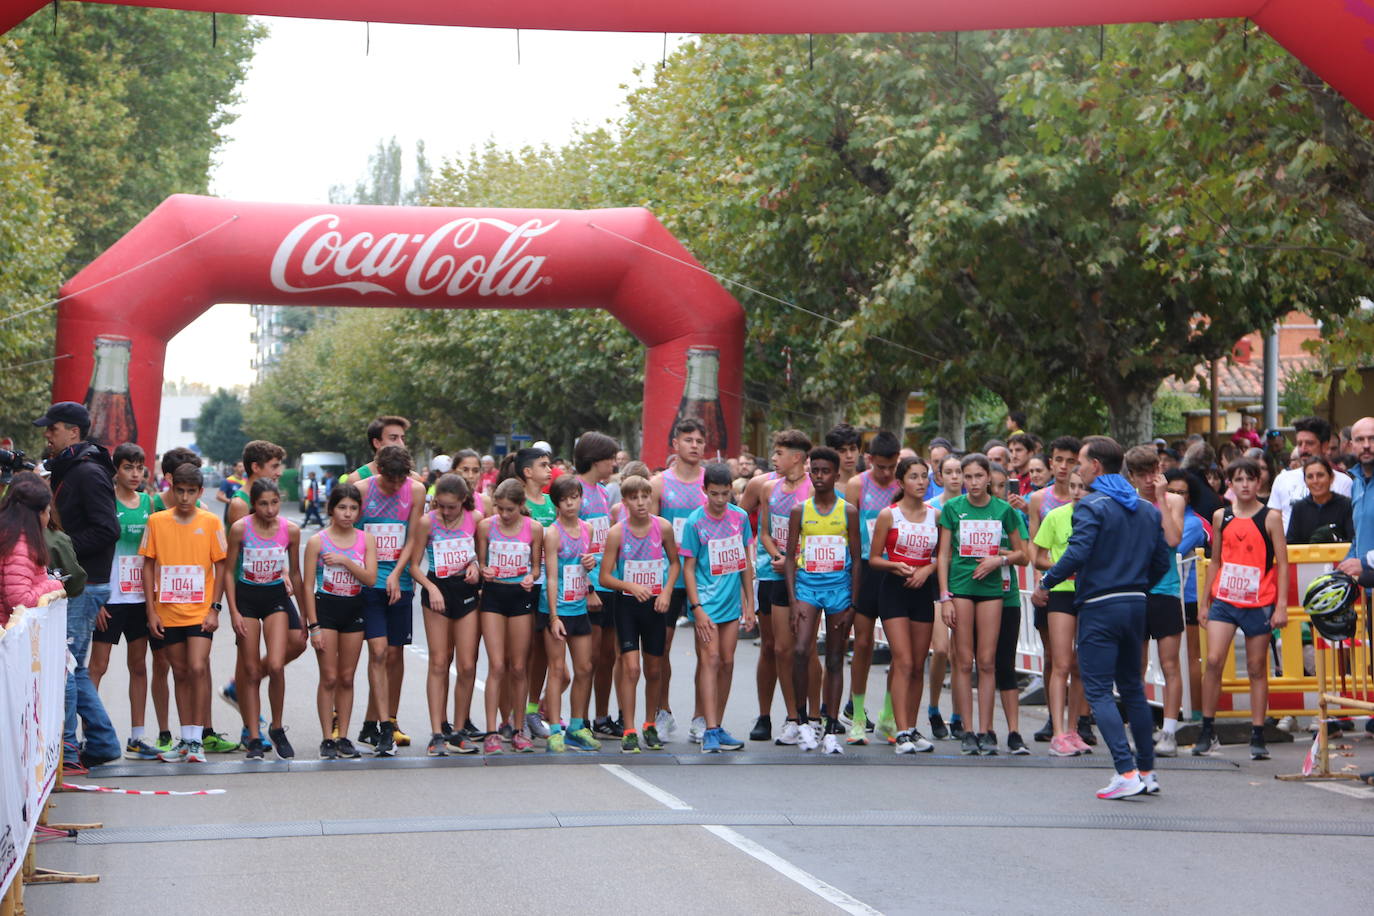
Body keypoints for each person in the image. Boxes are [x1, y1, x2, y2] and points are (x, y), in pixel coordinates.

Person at [1031, 436, 1172, 800]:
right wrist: (1138, 585)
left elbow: (1077, 552)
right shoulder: (1146, 509)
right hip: (1136, 603)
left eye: (1080, 461)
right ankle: (1146, 770)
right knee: (1132, 689)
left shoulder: (1092, 506)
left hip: (1100, 605)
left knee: (1097, 689)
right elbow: (1160, 561)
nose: (1076, 468)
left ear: (1095, 466)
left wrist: (1047, 580)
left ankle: (1125, 771)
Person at [34, 401, 121, 767]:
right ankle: (101, 742)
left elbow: (108, 529)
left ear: (73, 431)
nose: (46, 435)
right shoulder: (72, 468)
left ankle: (67, 750)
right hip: (80, 580)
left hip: (83, 582)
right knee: (74, 667)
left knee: (65, 666)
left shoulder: (87, 472)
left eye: (52, 429)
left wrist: (61, 549)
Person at [1196, 457, 1289, 761]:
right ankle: (1207, 729)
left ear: (1259, 482)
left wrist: (1281, 606)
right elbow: (1216, 561)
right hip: (1224, 598)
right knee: (1212, 660)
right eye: (1238, 480)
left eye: (1250, 479)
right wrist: (1205, 602)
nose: (1245, 485)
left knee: (1255, 667)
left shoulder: (1271, 517)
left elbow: (1283, 563)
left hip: (1259, 601)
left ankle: (1258, 732)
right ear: (1230, 484)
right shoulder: (1221, 516)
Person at [936, 453, 1027, 757]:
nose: (973, 483)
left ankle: (988, 730)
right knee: (963, 661)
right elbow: (944, 555)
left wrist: (997, 560)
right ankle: (968, 730)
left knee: (987, 662)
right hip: (961, 588)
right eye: (968, 476)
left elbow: (1022, 553)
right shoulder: (951, 508)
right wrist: (945, 596)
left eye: (978, 476)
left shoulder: (1003, 510)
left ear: (989, 478)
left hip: (992, 589)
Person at [139, 463, 228, 764]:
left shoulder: (211, 522)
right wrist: (151, 611)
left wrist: (215, 608)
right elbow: (148, 564)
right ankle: (186, 739)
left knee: (197, 667)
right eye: (181, 490)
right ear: (171, 489)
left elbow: (222, 564)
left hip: (200, 611)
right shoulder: (156, 522)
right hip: (167, 611)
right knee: (179, 673)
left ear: (201, 492)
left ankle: (198, 740)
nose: (186, 497)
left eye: (192, 492)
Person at [223, 440, 305, 751]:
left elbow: (278, 553)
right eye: (273, 466)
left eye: (275, 503)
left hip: (273, 590)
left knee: (290, 648)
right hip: (247, 591)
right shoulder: (240, 506)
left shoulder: (286, 526)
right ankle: (251, 729)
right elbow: (234, 562)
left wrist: (281, 571)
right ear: (256, 468)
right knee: (250, 667)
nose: (279, 472)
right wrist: (228, 607)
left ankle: (249, 697)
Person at [88, 444, 166, 759]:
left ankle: (137, 736)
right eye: (128, 468)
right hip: (110, 598)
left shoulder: (150, 503)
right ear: (116, 471)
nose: (135, 474)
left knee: (138, 666)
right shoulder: (106, 503)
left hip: (139, 599)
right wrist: (97, 599)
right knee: (98, 666)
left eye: (139, 468)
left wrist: (155, 601)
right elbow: (95, 550)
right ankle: (87, 736)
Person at [783, 447, 862, 755]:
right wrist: (792, 600)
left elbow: (857, 560)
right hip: (807, 587)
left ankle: (830, 728)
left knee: (834, 658)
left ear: (836, 475)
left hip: (839, 590)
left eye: (825, 471)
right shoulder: (799, 511)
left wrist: (854, 604)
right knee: (801, 650)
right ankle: (803, 721)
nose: (818, 476)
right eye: (814, 470)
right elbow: (789, 557)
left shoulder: (848, 512)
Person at [599, 474, 679, 753]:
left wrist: (667, 591)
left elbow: (675, 564)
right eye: (634, 498)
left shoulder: (664, 528)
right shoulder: (617, 533)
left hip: (656, 605)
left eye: (645, 496)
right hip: (627, 606)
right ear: (625, 502)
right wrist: (630, 585)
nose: (641, 503)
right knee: (631, 668)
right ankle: (629, 728)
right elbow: (605, 576)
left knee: (654, 669)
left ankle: (650, 724)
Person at [680, 462, 755, 753]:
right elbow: (688, 568)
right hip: (706, 604)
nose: (721, 500)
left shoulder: (740, 518)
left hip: (731, 604)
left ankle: (718, 724)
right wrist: (696, 607)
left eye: (726, 494)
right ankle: (709, 728)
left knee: (727, 661)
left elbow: (745, 564)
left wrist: (750, 604)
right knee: (709, 660)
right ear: (705, 491)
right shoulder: (694, 522)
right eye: (715, 494)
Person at [355, 445, 426, 754]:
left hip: (400, 582)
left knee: (394, 655)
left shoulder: (416, 490)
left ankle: (380, 721)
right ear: (379, 472)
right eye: (390, 480)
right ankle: (383, 726)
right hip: (369, 583)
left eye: (401, 480)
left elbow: (413, 537)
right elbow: (355, 537)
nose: (396, 486)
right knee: (378, 652)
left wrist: (398, 573)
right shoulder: (361, 490)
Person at [867, 456, 938, 753]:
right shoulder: (889, 515)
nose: (920, 482)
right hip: (894, 589)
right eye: (914, 477)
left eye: (924, 476)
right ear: (901, 483)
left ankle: (911, 727)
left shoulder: (936, 515)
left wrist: (926, 570)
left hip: (923, 589)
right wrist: (895, 566)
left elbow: (941, 557)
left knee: (918, 665)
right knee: (904, 661)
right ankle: (900, 731)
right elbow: (874, 558)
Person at [301, 483, 376, 759]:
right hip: (327, 611)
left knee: (346, 677)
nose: (347, 513)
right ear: (331, 509)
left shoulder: (365, 539)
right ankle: (326, 738)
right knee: (329, 677)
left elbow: (370, 578)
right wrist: (314, 626)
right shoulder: (317, 541)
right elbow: (308, 585)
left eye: (353, 508)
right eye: (342, 507)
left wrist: (346, 561)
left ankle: (343, 736)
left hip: (354, 609)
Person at [409, 473, 482, 756]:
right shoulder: (428, 522)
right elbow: (414, 565)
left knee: (467, 664)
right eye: (441, 505)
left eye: (452, 506)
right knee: (439, 662)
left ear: (463, 500)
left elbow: (479, 553)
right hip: (436, 591)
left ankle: (459, 730)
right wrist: (431, 588)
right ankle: (437, 732)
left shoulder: (475, 518)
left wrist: (476, 565)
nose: (446, 511)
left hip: (464, 590)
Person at [1123, 446, 1188, 759]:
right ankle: (1140, 725)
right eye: (1142, 474)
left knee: (1170, 662)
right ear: (1132, 477)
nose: (1150, 479)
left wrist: (1161, 499)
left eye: (1154, 471)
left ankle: (1170, 731)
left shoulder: (1173, 499)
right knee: (1135, 664)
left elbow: (1174, 539)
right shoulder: (1128, 503)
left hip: (1165, 589)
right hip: (1135, 588)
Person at [650, 418, 711, 741]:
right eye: (688, 440)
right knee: (662, 648)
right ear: (675, 444)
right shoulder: (660, 484)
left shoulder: (710, 482)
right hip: (669, 577)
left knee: (706, 651)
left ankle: (701, 717)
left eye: (699, 441)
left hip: (703, 577)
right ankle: (663, 712)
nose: (694, 445)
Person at [755, 429, 815, 745]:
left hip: (803, 575)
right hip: (771, 573)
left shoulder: (812, 489)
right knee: (775, 647)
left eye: (778, 454)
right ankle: (779, 716)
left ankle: (808, 716)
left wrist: (794, 559)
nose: (774, 459)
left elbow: (817, 534)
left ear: (796, 457)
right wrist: (779, 556)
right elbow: (764, 532)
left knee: (801, 649)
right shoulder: (768, 488)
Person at [477, 477, 544, 754]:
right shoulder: (485, 526)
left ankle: (519, 729)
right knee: (497, 666)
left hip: (520, 597)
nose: (504, 515)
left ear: (521, 505)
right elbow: (480, 562)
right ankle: (493, 731)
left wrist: (530, 576)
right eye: (500, 508)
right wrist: (483, 569)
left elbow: (537, 568)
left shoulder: (535, 528)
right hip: (494, 596)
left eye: (509, 509)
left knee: (518, 667)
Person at [844, 430, 901, 746]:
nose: (886, 473)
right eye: (880, 467)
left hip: (896, 570)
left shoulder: (901, 483)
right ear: (869, 460)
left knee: (898, 649)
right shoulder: (857, 485)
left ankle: (888, 716)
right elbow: (849, 533)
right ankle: (858, 717)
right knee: (863, 644)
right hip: (866, 570)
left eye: (891, 466)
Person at [497, 447, 556, 741]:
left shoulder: (552, 503)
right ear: (527, 472)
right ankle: (508, 716)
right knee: (514, 656)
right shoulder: (513, 502)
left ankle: (531, 709)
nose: (550, 469)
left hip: (548, 585)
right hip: (517, 587)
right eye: (544, 465)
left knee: (541, 652)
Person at [1031, 471, 1091, 756]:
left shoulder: (1100, 517)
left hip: (1090, 593)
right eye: (1074, 486)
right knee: (1062, 663)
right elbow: (1038, 555)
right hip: (1062, 593)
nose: (1078, 492)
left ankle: (1074, 729)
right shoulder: (1056, 516)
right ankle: (1057, 732)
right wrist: (1061, 567)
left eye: (1083, 487)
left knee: (1081, 665)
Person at [543, 474, 602, 753]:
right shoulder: (552, 533)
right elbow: (552, 577)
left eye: (574, 498)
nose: (570, 504)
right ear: (557, 503)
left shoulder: (587, 528)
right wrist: (553, 617)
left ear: (581, 498)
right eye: (565, 500)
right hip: (557, 609)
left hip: (579, 605)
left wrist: (590, 572)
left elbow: (584, 565)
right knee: (556, 669)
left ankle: (577, 726)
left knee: (585, 668)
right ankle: (555, 728)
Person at [572, 432, 622, 741]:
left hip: (609, 583)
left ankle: (602, 716)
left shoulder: (604, 492)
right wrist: (588, 588)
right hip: (587, 589)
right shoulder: (575, 491)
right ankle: (580, 719)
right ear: (595, 460)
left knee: (608, 656)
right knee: (586, 660)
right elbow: (571, 541)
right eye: (611, 458)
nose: (615, 463)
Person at [985, 463, 1031, 755]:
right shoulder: (969, 512)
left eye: (1003, 486)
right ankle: (984, 728)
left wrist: (1000, 556)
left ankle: (1014, 732)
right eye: (994, 486)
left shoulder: (1012, 514)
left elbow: (1024, 555)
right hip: (976, 596)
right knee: (983, 662)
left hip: (1007, 596)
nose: (999, 492)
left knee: (1006, 663)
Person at [925, 453, 965, 739]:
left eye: (958, 471)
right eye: (948, 472)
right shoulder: (929, 509)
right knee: (941, 649)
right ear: (939, 477)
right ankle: (933, 707)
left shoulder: (973, 506)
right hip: (937, 586)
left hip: (965, 585)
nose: (954, 476)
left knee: (962, 654)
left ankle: (958, 715)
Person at [0, 473, 66, 626]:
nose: (49, 516)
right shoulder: (20, 546)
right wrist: (54, 584)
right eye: (47, 511)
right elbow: (19, 601)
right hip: (10, 636)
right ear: (38, 514)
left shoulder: (12, 536)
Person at [1269, 416, 1351, 529]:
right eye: (1299, 443)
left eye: (1309, 443)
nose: (1303, 449)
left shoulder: (1343, 482)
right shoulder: (1282, 479)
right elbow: (1273, 520)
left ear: (1325, 446)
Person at [1288, 456, 1355, 545]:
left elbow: (1353, 541)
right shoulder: (1299, 508)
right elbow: (1291, 543)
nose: (1315, 481)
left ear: (1331, 478)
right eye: (1310, 477)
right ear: (1305, 481)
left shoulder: (1346, 505)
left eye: (1320, 475)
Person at [343, 416, 410, 484]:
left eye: (403, 439)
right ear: (376, 443)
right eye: (393, 438)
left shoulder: (413, 479)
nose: (401, 444)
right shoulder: (356, 480)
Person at [825, 422, 862, 488]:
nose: (849, 455)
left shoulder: (868, 485)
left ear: (859, 451)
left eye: (853, 449)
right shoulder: (825, 488)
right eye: (842, 451)